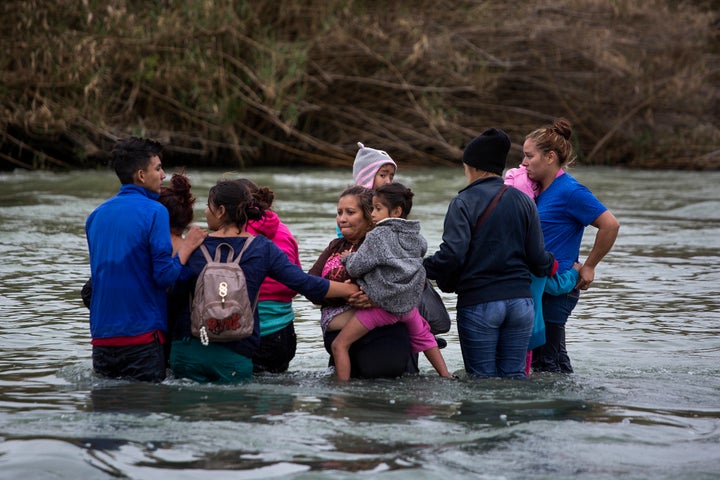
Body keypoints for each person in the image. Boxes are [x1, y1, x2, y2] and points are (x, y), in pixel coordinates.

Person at [169, 179, 360, 383]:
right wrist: (350, 289)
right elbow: (305, 284)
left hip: (188, 352)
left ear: (221, 211)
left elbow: (170, 287)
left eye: (209, 207)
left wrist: (186, 247)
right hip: (235, 356)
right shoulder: (261, 248)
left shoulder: (194, 246)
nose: (206, 212)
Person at [423, 128, 557, 378]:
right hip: (520, 305)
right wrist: (557, 266)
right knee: (514, 380)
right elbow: (539, 259)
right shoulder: (524, 201)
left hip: (480, 302)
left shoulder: (462, 202)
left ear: (473, 166)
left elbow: (453, 255)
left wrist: (422, 268)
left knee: (482, 382)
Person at [85, 137, 206, 382]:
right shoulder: (155, 211)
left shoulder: (95, 216)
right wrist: (189, 247)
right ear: (141, 175)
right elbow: (165, 276)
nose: (163, 175)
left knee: (107, 415)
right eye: (158, 168)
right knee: (146, 412)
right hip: (142, 339)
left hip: (101, 340)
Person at [522, 118, 620, 373]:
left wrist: (589, 266)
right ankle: (570, 408)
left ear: (550, 157)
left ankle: (561, 409)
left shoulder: (571, 191)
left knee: (546, 365)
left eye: (529, 156)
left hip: (560, 287)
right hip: (539, 286)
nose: (523, 163)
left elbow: (610, 225)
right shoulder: (535, 190)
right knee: (552, 361)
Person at [331, 183, 452, 381]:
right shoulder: (417, 237)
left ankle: (342, 393)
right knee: (426, 339)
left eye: (378, 209)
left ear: (396, 211)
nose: (373, 214)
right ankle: (447, 375)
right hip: (408, 309)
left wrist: (347, 257)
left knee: (339, 345)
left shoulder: (376, 236)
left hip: (381, 308)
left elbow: (356, 267)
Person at [310, 185, 419, 379]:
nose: (341, 219)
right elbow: (310, 285)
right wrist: (347, 292)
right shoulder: (335, 247)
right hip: (341, 339)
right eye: (339, 212)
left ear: (370, 216)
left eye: (350, 212)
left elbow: (414, 281)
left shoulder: (384, 243)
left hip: (382, 338)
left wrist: (376, 299)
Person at [504, 164, 581, 375]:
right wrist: (576, 272)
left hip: (503, 327)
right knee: (541, 367)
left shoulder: (504, 250)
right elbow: (555, 285)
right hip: (530, 329)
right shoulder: (535, 259)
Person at [238, 178, 301, 374]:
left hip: (249, 331)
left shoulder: (237, 234)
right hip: (284, 332)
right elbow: (296, 278)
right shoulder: (284, 230)